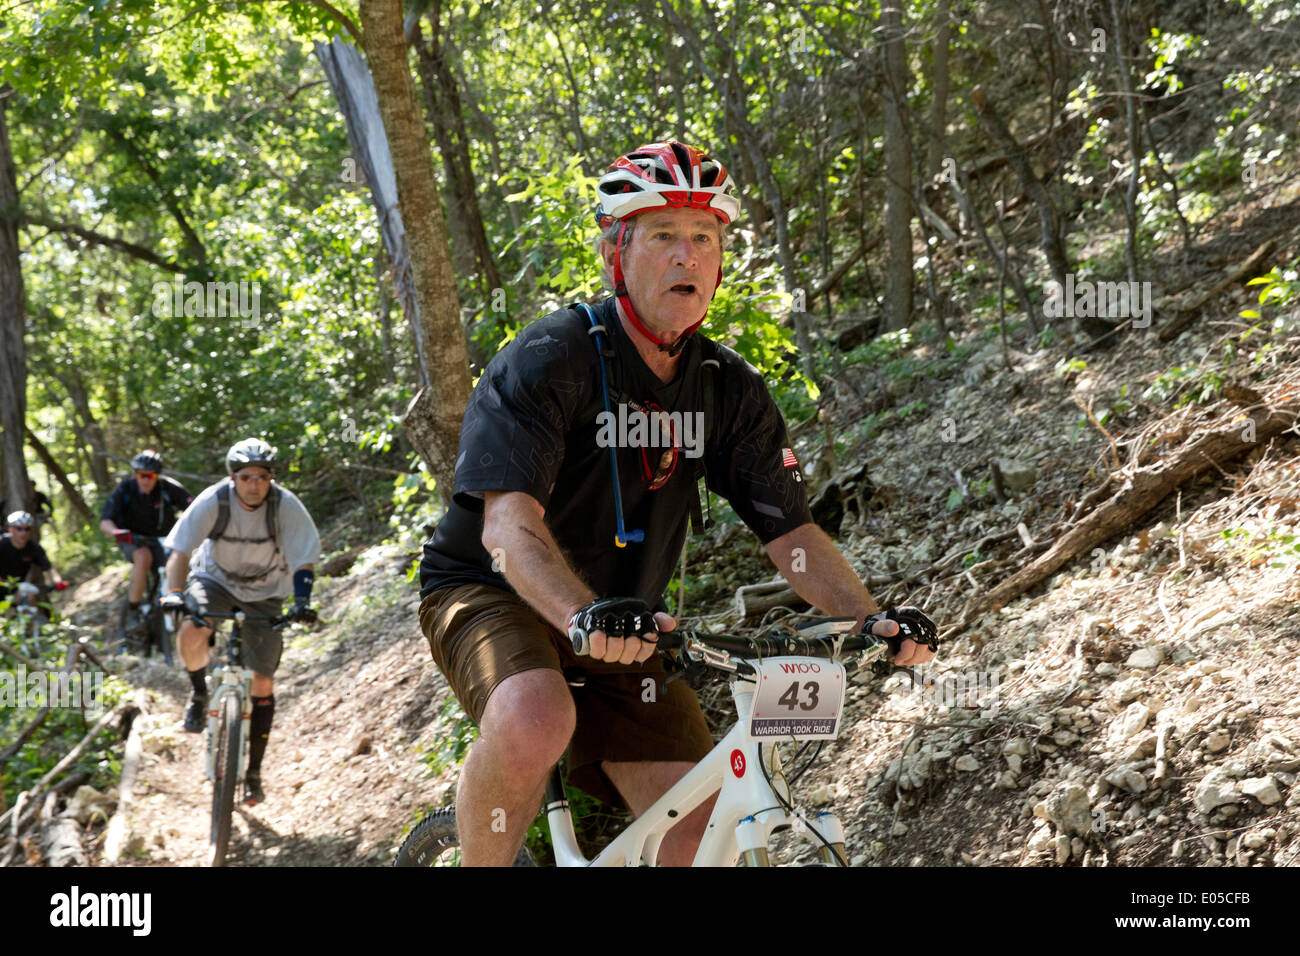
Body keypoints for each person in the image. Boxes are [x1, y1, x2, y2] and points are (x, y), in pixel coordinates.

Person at [416, 141, 939, 866]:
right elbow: (508, 529)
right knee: (535, 717)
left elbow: (791, 534)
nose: (686, 257)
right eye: (663, 236)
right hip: (492, 586)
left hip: (627, 621)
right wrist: (579, 617)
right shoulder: (550, 360)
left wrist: (869, 617)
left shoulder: (727, 388)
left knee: (700, 833)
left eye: (703, 240)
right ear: (614, 255)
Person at [160, 439, 320, 805]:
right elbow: (181, 550)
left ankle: (253, 774)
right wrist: (173, 592)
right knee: (192, 627)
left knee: (263, 682)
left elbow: (303, 560)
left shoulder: (286, 506)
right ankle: (199, 692)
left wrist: (302, 601)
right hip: (214, 580)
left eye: (262, 477)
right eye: (246, 477)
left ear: (271, 478)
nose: (254, 484)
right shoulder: (214, 501)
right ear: (233, 478)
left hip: (265, 592)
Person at [99, 450, 193, 635]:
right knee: (143, 557)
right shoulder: (125, 489)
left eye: (151, 476)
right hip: (134, 539)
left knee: (182, 561)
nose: (146, 480)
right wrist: (118, 532)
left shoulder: (168, 488)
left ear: (157, 476)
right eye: (142, 475)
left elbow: (194, 508)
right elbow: (105, 521)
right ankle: (134, 610)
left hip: (165, 540)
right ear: (135, 474)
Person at [0, 511, 67, 604]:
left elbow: (49, 568)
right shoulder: (2, 543)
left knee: (30, 598)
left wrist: (58, 582)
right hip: (1, 585)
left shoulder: (33, 548)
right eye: (19, 529)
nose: (23, 532)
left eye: (27, 529)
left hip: (18, 588)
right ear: (11, 529)